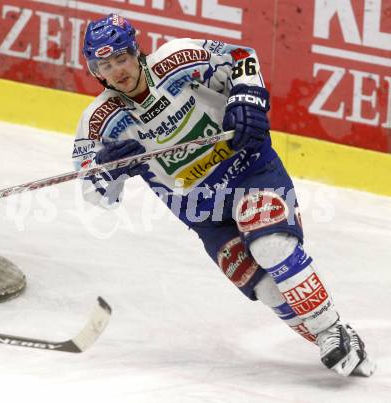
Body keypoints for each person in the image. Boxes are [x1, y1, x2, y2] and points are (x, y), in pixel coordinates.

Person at [72, 13, 375, 377]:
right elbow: (96, 192)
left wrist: (246, 97)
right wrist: (110, 170)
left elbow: (241, 57)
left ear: (136, 51)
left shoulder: (177, 58)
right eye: (106, 65)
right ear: (96, 71)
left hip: (249, 169)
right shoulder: (98, 122)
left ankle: (333, 331)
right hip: (201, 212)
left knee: (269, 246)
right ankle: (333, 338)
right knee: (261, 285)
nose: (118, 70)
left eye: (121, 58)